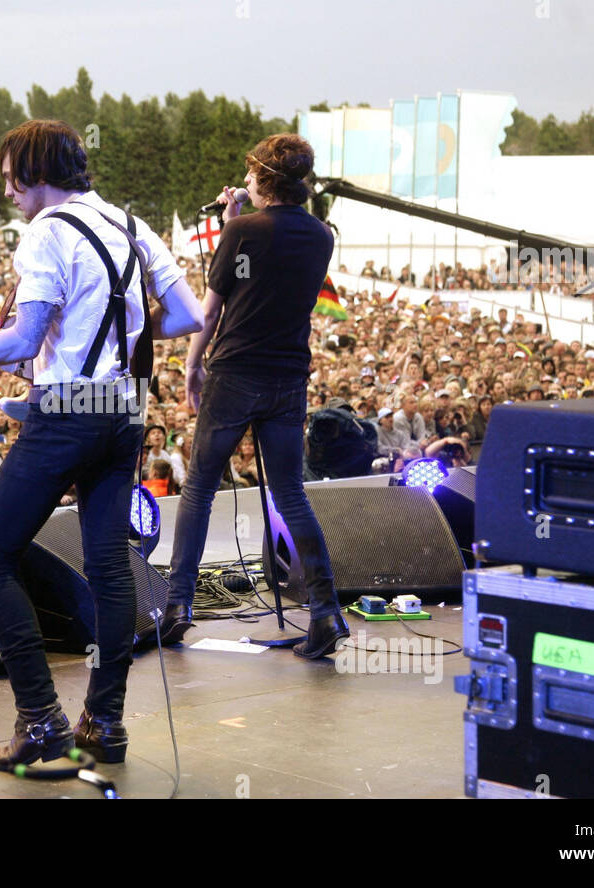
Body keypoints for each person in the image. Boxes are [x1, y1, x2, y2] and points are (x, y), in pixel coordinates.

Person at [0, 119, 201, 770]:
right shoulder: (129, 225)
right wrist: (113, 339)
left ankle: (39, 721)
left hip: (67, 413)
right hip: (124, 408)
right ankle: (105, 724)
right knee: (112, 567)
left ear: (36, 172)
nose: (6, 191)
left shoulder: (44, 234)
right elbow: (186, 317)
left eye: (10, 177)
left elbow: (22, 340)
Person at [158, 132, 346, 661]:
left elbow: (211, 312)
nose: (242, 182)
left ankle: (178, 607)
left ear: (264, 178)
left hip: (236, 373)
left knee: (198, 488)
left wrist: (192, 365)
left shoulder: (241, 230)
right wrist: (236, 218)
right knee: (290, 493)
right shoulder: (320, 235)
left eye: (248, 175)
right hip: (288, 379)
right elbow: (266, 263)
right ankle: (327, 610)